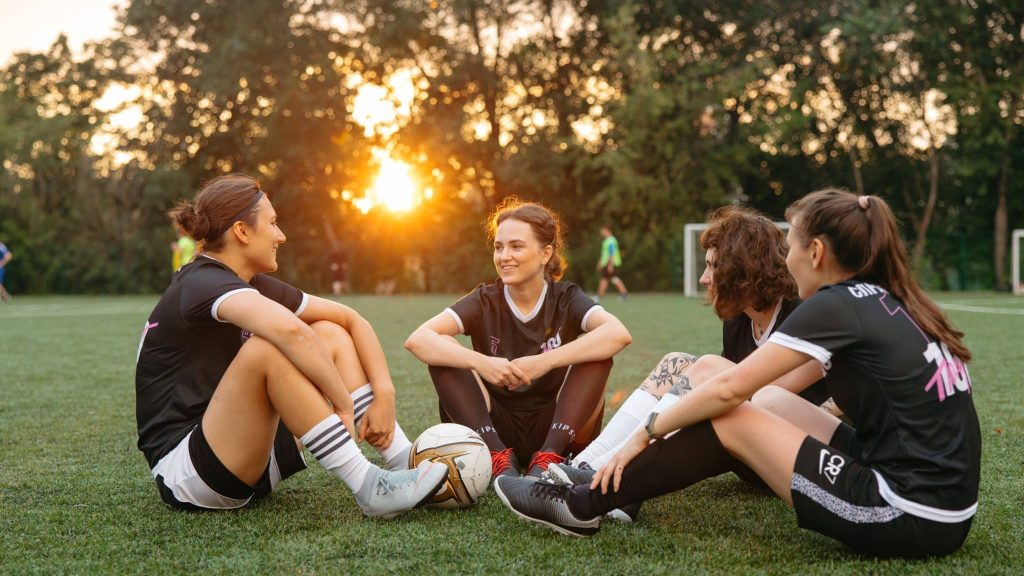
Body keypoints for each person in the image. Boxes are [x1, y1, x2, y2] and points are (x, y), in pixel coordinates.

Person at [496, 189, 980, 560]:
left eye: (790, 244)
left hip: (911, 513)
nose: (785, 258)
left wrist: (645, 433)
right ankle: (597, 482)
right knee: (761, 403)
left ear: (815, 252)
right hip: (931, 494)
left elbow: (729, 388)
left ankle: (582, 505)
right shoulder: (887, 297)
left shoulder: (836, 304)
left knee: (732, 411)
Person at [135, 174, 448, 516]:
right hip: (190, 473)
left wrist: (385, 394)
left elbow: (351, 319)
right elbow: (291, 333)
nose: (281, 235)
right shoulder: (200, 282)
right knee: (268, 348)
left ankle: (404, 459)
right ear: (242, 231)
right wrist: (343, 406)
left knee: (329, 330)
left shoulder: (250, 284)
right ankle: (370, 487)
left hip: (248, 453)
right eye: (272, 223)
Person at [547, 205, 830, 523]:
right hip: (742, 445)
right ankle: (585, 465)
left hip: (784, 454)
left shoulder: (802, 313)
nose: (703, 278)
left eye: (712, 267)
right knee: (676, 362)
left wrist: (654, 428)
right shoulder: (738, 319)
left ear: (742, 269)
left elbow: (765, 395)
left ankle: (611, 471)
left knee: (709, 369)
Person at [405, 199, 632, 480]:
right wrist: (482, 362)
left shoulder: (566, 298)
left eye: (516, 246)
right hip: (493, 426)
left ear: (545, 253)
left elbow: (618, 333)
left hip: (558, 425)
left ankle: (550, 456)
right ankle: (497, 456)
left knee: (598, 352)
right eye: (499, 247)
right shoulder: (484, 300)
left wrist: (544, 362)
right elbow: (418, 339)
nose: (504, 256)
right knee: (443, 348)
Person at [594, 226, 628, 302]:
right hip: (607, 263)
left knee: (611, 279)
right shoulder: (607, 241)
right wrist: (600, 263)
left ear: (607, 230)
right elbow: (604, 254)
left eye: (602, 231)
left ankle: (624, 294)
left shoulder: (611, 240)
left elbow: (612, 253)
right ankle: (600, 295)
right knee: (606, 279)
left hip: (611, 263)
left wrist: (610, 265)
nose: (601, 233)